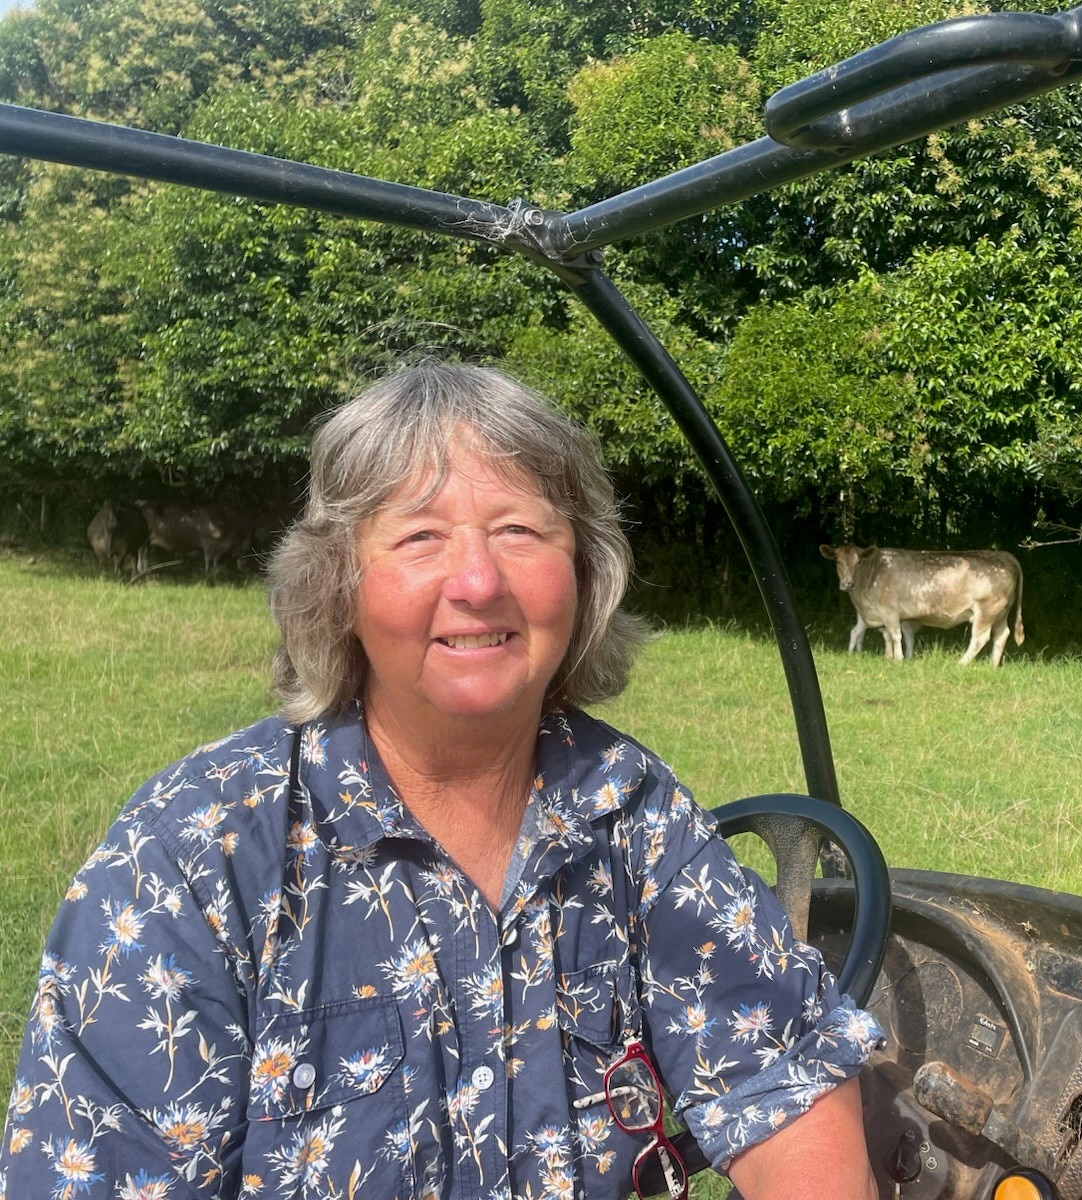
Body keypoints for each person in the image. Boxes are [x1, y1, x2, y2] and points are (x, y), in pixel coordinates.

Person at [0, 362, 884, 1200]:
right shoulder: (195, 851)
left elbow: (788, 1081)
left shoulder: (629, 808)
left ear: (584, 573)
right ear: (337, 587)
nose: (477, 580)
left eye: (520, 531)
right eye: (421, 536)